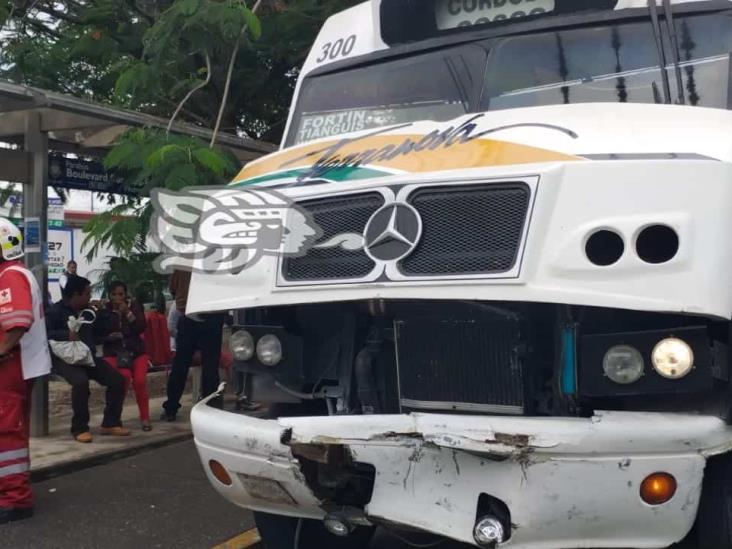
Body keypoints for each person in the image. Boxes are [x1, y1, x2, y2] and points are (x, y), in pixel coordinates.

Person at [0, 218, 52, 524]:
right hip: (17, 364)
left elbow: (17, 321)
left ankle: (15, 499)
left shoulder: (10, 275)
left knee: (7, 433)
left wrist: (2, 350)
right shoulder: (14, 273)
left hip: (11, 366)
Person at [46, 275, 130, 442]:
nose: (90, 297)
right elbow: (46, 333)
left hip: (87, 357)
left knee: (117, 380)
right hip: (64, 359)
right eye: (87, 294)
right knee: (80, 383)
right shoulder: (55, 311)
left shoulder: (90, 311)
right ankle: (79, 428)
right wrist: (66, 335)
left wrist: (103, 313)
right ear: (75, 295)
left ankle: (110, 422)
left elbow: (101, 332)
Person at [161, 270, 225, 421]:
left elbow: (173, 288)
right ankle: (209, 408)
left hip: (189, 314)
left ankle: (171, 407)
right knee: (210, 365)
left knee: (180, 365)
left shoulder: (183, 263)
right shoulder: (216, 262)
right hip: (212, 315)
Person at [99, 281, 152, 431]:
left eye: (121, 294)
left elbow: (140, 327)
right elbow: (99, 333)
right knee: (123, 378)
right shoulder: (105, 311)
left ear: (126, 294)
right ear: (109, 296)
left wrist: (127, 313)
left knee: (140, 381)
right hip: (115, 352)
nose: (118, 298)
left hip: (135, 351)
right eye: (114, 294)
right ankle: (115, 418)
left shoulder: (134, 307)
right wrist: (110, 337)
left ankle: (145, 418)